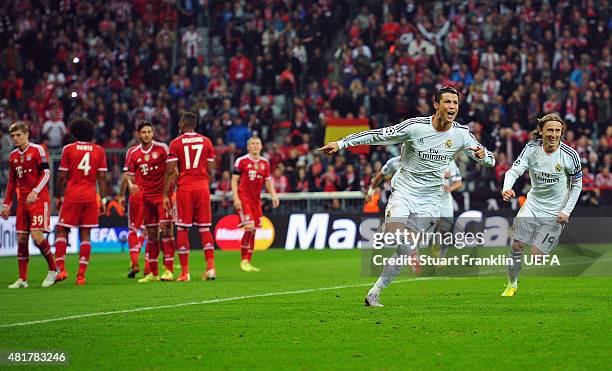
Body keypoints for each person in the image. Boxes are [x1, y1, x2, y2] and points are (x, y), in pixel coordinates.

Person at [319, 86, 495, 307]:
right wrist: (341, 143)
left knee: (406, 249)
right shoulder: (414, 127)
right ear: (436, 105)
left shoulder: (460, 134)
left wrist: (484, 156)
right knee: (395, 234)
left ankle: (374, 292)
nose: (452, 107)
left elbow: (490, 160)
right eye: (447, 102)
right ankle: (390, 225)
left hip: (431, 200)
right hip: (404, 191)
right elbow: (378, 135)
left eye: (455, 103)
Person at [501, 113, 582, 296]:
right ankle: (511, 285)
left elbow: (577, 185)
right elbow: (513, 171)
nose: (553, 134)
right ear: (541, 131)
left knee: (536, 257)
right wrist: (507, 188)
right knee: (517, 246)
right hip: (533, 205)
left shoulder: (570, 156)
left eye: (557, 131)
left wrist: (566, 211)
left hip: (555, 212)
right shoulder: (531, 150)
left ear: (562, 133)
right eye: (549, 130)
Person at [2, 122, 57, 288]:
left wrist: (35, 191)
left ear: (26, 134)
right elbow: (12, 181)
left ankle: (53, 270)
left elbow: (46, 173)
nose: (15, 138)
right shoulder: (12, 156)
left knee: (36, 236)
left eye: (18, 135)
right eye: (13, 136)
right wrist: (7, 203)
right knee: (21, 238)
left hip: (39, 199)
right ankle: (22, 279)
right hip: (22, 201)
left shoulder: (38, 150)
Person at [54, 118, 109, 285]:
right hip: (90, 196)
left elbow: (62, 177)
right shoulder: (99, 150)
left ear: (74, 133)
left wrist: (59, 196)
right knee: (85, 235)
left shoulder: (69, 149)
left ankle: (61, 269)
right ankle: (81, 276)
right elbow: (102, 178)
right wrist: (104, 200)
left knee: (62, 230)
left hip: (72, 195)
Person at [163, 112, 215, 282]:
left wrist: (165, 194)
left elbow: (170, 171)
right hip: (202, 187)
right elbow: (211, 170)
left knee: (183, 228)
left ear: (182, 124)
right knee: (205, 228)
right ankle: (211, 269)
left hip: (185, 188)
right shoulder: (206, 141)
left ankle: (185, 272)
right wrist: (205, 183)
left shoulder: (175, 143)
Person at [124, 121, 176, 283]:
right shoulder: (132, 153)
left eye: (149, 131)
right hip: (146, 198)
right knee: (152, 235)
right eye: (144, 132)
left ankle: (168, 269)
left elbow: (171, 170)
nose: (147, 134)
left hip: (162, 196)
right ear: (138, 134)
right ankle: (152, 273)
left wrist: (169, 193)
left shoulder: (162, 149)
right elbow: (130, 175)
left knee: (166, 231)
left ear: (153, 133)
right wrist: (132, 184)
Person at [232, 137, 280, 272]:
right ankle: (243, 260)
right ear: (248, 147)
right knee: (249, 228)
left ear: (261, 146)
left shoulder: (265, 163)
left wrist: (274, 195)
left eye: (257, 144)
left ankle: (248, 261)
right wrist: (236, 198)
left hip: (256, 201)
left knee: (253, 231)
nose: (255, 146)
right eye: (252, 144)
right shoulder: (241, 161)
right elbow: (234, 180)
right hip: (244, 198)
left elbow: (268, 181)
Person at [118, 170, 146, 278]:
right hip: (151, 195)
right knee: (146, 231)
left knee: (133, 230)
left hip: (136, 195)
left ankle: (134, 262)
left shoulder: (132, 153)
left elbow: (126, 175)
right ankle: (148, 269)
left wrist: (121, 195)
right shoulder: (158, 153)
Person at [437, 159, 463, 258]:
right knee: (434, 224)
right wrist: (441, 174)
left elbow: (459, 182)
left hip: (445, 199)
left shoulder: (449, 161)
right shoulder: (426, 155)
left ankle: (441, 257)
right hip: (430, 198)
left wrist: (451, 188)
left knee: (445, 231)